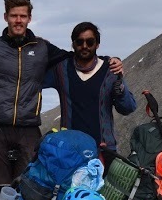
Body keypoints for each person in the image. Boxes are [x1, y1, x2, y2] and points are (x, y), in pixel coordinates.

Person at [0, 0, 122, 200]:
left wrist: (110, 61)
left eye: (22, 16)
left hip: (28, 128)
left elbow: (81, 57)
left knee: (32, 188)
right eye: (14, 15)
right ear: (5, 17)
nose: (18, 20)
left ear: (29, 17)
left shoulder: (42, 48)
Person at [45, 21, 136, 151]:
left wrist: (120, 91)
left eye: (90, 42)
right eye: (79, 42)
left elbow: (128, 108)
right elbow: (32, 80)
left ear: (97, 44)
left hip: (103, 150)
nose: (84, 46)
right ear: (73, 44)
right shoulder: (61, 70)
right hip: (70, 151)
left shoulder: (110, 70)